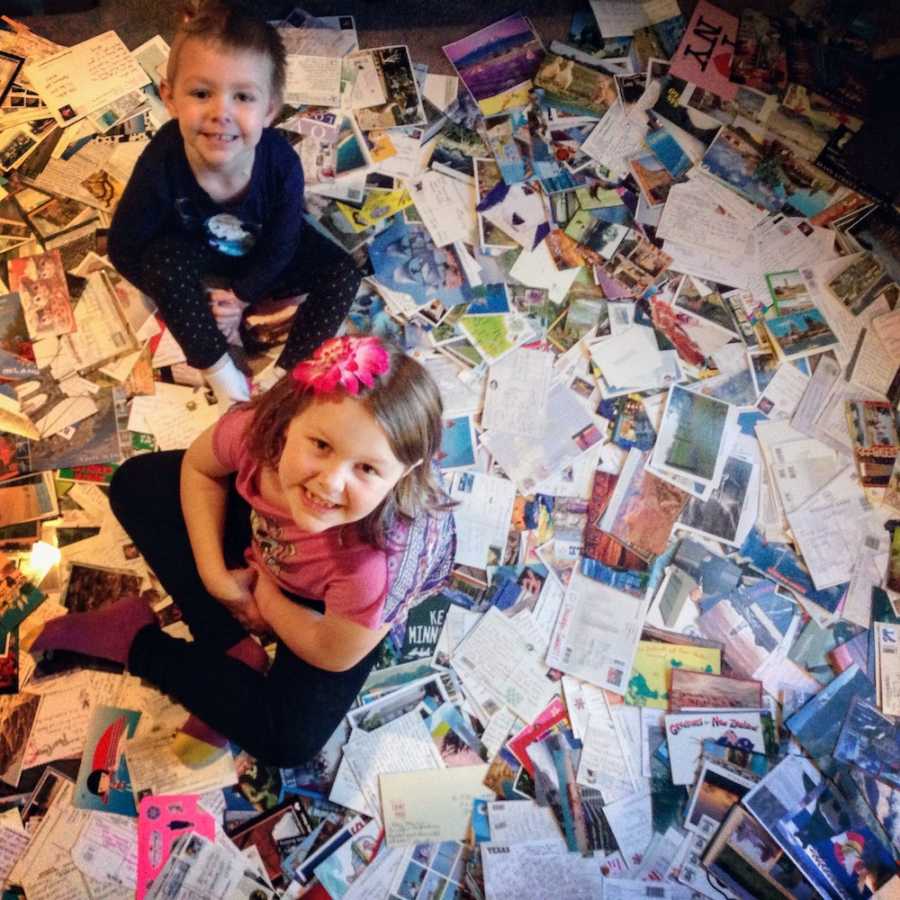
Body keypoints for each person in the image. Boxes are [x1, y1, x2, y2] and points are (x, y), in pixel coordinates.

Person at [29, 336, 457, 767]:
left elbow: (332, 649)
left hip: (323, 610)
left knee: (288, 741)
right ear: (289, 420)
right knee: (134, 483)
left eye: (366, 468)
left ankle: (136, 643)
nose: (329, 483)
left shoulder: (378, 562)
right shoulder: (258, 431)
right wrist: (217, 579)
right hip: (265, 544)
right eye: (321, 446)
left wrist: (267, 602)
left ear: (406, 472)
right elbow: (199, 468)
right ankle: (230, 646)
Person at [107, 3, 362, 407]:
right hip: (191, 254)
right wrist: (191, 301)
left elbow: (283, 243)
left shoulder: (281, 164)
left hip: (262, 257)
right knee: (158, 261)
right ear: (170, 98)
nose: (220, 112)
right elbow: (123, 248)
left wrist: (243, 295)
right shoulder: (162, 161)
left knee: (344, 272)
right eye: (202, 93)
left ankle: (286, 379)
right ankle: (222, 376)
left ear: (270, 110)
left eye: (243, 96)